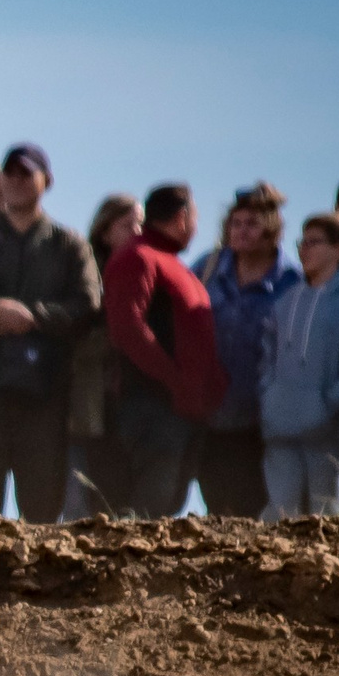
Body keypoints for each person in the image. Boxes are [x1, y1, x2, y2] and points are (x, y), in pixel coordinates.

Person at [0, 143, 101, 520]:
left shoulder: (68, 246)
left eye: (27, 173)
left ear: (47, 180)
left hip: (45, 394)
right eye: (10, 174)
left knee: (42, 510)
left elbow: (88, 306)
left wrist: (37, 317)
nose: (17, 182)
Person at [102, 184, 224, 518]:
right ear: (183, 217)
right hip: (152, 407)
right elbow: (127, 329)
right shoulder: (138, 257)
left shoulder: (169, 263)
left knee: (168, 505)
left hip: (182, 410)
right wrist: (176, 381)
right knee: (149, 507)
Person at [190, 184, 299, 516]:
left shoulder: (291, 281)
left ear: (271, 229)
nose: (241, 231)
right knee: (214, 500)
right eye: (235, 223)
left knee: (251, 504)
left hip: (260, 417)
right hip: (209, 412)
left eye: (251, 223)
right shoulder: (208, 269)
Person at [261, 212, 339, 514]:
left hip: (331, 433)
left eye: (314, 242)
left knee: (326, 518)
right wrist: (269, 399)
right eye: (302, 242)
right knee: (279, 517)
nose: (303, 249)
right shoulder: (285, 301)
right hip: (282, 428)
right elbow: (266, 355)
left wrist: (331, 403)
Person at [63, 194, 141, 516]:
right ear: (105, 230)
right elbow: (76, 332)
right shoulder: (84, 271)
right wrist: (116, 334)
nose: (137, 231)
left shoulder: (146, 273)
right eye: (128, 224)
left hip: (130, 403)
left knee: (122, 498)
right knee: (81, 501)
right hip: (88, 401)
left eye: (141, 224)